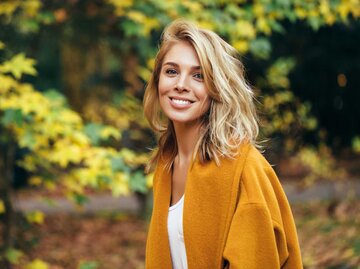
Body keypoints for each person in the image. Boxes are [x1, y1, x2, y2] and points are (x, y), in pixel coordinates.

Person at [143, 19, 303, 269]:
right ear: (157, 81)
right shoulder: (165, 167)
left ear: (217, 88)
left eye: (199, 76)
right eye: (171, 71)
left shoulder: (244, 168)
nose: (181, 85)